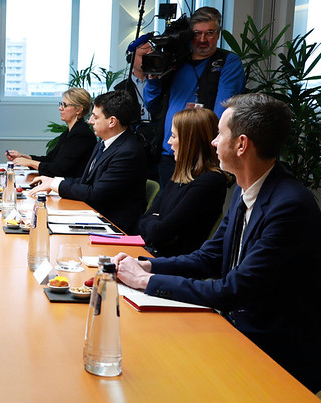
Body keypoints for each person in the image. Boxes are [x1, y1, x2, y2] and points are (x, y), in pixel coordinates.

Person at [114, 93, 321, 392]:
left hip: (273, 353)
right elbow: (208, 258)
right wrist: (147, 264)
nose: (212, 142)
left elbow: (232, 290)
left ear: (241, 144)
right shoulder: (245, 187)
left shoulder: (290, 206)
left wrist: (146, 281)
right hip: (236, 329)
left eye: (220, 134)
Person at [143, 6, 245, 186]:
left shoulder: (228, 62)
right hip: (169, 153)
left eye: (210, 33)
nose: (203, 39)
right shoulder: (177, 62)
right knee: (165, 209)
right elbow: (152, 106)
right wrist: (153, 79)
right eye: (197, 33)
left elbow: (222, 112)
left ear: (218, 34)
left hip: (199, 156)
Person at [29, 90, 147, 233]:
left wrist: (55, 184)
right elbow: (86, 181)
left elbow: (96, 193)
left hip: (113, 227)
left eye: (95, 117)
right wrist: (53, 182)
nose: (90, 121)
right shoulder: (104, 143)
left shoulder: (128, 152)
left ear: (112, 121)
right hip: (94, 216)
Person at [136, 107, 229, 257]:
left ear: (190, 142)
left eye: (173, 136)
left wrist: (156, 221)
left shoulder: (210, 181)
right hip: (156, 255)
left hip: (174, 265)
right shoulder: (182, 174)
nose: (169, 142)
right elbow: (144, 220)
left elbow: (160, 233)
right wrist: (156, 221)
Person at [6, 87, 95, 177]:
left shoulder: (81, 135)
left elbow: (60, 169)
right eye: (60, 104)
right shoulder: (69, 132)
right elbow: (50, 159)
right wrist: (23, 157)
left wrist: (30, 163)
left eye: (64, 105)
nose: (60, 108)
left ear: (79, 109)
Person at [116, 33, 159, 179]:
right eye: (143, 55)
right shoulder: (121, 89)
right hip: (133, 147)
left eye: (151, 55)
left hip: (158, 145)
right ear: (131, 58)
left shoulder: (162, 84)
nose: (148, 59)